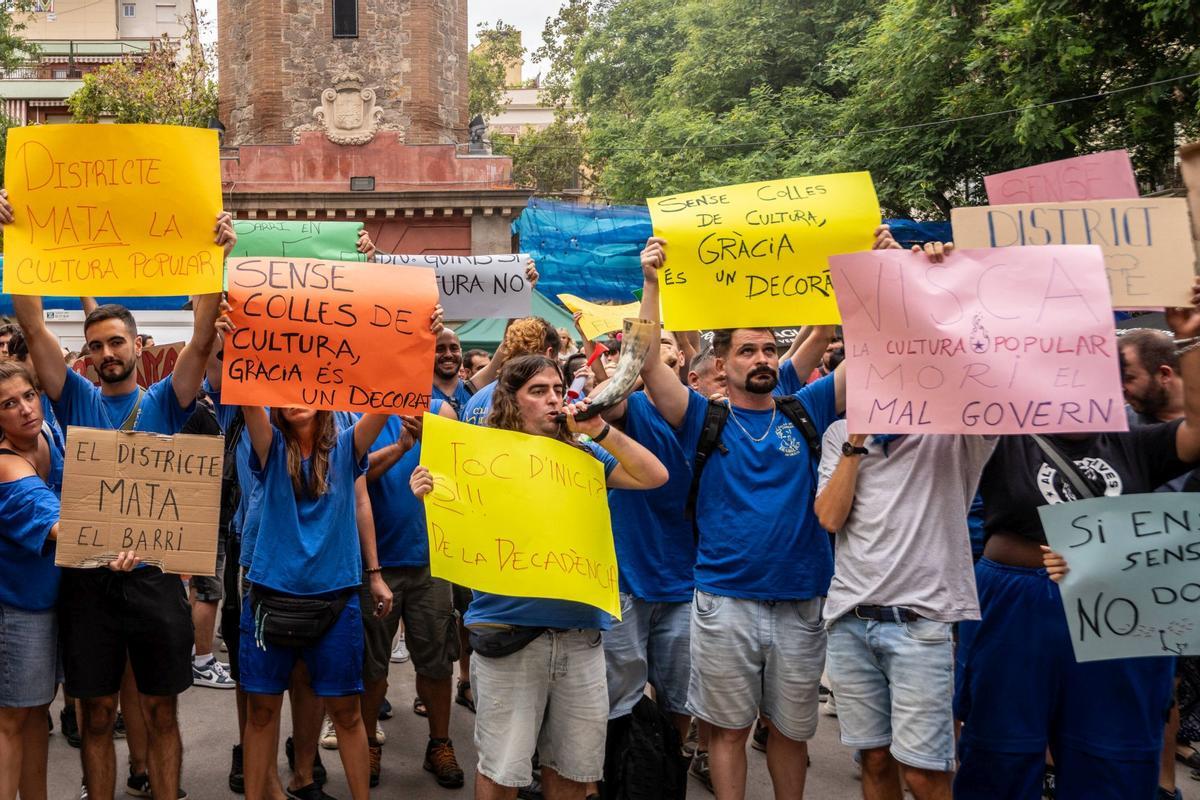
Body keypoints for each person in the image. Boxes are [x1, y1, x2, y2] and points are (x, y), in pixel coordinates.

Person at [636, 226, 896, 800]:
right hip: (724, 600)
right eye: (747, 350)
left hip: (801, 601)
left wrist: (883, 274)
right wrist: (651, 284)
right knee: (725, 733)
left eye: (770, 349)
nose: (762, 358)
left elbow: (879, 353)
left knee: (790, 732)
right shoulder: (702, 417)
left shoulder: (808, 407)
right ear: (720, 363)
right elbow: (649, 362)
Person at [3, 192, 235, 800]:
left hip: (156, 576)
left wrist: (215, 258)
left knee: (160, 713)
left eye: (117, 342)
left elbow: (205, 335)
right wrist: (16, 243)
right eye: (96, 344)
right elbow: (30, 323)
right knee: (97, 714)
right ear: (86, 353)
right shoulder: (72, 396)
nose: (107, 353)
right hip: (88, 581)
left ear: (137, 345)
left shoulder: (165, 399)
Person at [954, 280, 1200, 800]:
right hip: (1018, 603)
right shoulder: (1002, 432)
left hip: (1120, 604)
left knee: (1112, 756)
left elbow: (1196, 431)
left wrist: (1190, 341)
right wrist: (932, 281)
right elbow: (944, 363)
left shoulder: (1135, 443)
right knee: (1000, 752)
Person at [411, 354, 668, 799]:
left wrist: (600, 429)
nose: (553, 398)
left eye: (557, 388)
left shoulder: (585, 452)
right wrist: (429, 493)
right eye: (538, 391)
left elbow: (654, 475)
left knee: (571, 771)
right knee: (503, 772)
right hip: (508, 635)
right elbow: (457, 524)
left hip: (579, 636)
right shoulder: (479, 453)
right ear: (512, 399)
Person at [813, 243, 994, 800]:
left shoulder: (954, 433)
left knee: (924, 772)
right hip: (851, 619)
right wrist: (857, 446)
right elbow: (828, 517)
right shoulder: (842, 436)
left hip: (922, 623)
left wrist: (924, 278)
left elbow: (982, 366)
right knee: (873, 761)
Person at [0, 360, 142, 800]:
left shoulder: (49, 433)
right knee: (12, 721)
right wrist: (128, 538)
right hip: (19, 609)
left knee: (35, 714)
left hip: (54, 599)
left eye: (28, 395)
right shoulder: (6, 466)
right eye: (8, 403)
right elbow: (63, 525)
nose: (25, 408)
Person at [360, 400, 465, 789]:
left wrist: (436, 444)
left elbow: (466, 477)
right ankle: (368, 743)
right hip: (375, 563)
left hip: (431, 562)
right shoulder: (357, 413)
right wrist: (402, 447)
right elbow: (353, 474)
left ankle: (440, 743)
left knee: (437, 661)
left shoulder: (441, 411)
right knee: (371, 665)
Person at [432, 330, 473, 418]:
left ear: (461, 352)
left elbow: (504, 348)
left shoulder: (472, 388)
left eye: (454, 348)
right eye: (440, 349)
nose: (448, 354)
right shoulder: (416, 395)